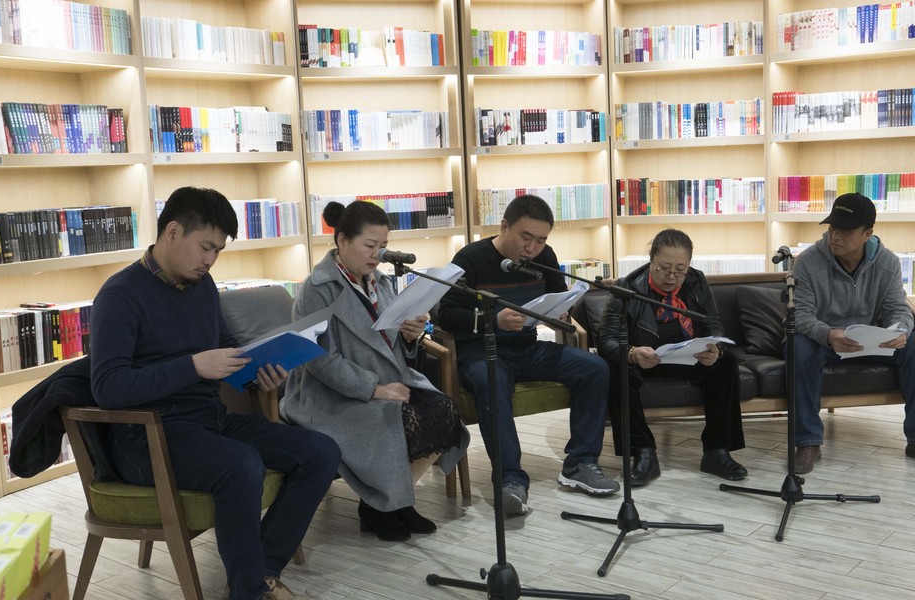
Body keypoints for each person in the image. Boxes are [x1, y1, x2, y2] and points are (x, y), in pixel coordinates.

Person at [90, 187, 340, 600]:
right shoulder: (119, 296)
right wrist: (192, 366)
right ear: (172, 231)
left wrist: (258, 371)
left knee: (321, 452)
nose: (210, 260)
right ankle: (250, 591)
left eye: (218, 251)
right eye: (206, 247)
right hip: (146, 436)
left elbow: (225, 348)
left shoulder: (202, 286)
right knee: (241, 464)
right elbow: (108, 388)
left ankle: (260, 572)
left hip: (208, 421)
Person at [280, 201, 468, 542]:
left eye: (383, 246)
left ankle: (393, 499)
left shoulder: (379, 281)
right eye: (369, 245)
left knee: (443, 410)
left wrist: (410, 336)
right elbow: (319, 360)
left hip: (386, 378)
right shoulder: (316, 289)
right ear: (342, 240)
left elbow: (389, 341)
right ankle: (381, 505)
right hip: (328, 393)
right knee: (395, 417)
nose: (377, 255)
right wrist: (374, 389)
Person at [438, 194, 619, 516]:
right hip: (481, 352)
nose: (532, 248)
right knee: (492, 382)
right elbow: (446, 314)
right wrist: (494, 320)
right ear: (504, 226)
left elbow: (557, 296)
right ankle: (510, 480)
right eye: (526, 237)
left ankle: (580, 463)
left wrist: (560, 312)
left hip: (527, 347)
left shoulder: (544, 257)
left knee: (595, 368)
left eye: (541, 240)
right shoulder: (470, 258)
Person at [792, 192, 915, 474]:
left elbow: (898, 307)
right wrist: (829, 334)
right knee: (799, 346)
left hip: (869, 342)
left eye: (846, 231)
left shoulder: (887, 262)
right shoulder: (808, 261)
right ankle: (807, 442)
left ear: (867, 233)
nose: (835, 236)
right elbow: (801, 316)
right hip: (825, 342)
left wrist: (900, 330)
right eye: (832, 227)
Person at [598, 229, 747, 485]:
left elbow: (713, 322)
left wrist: (715, 348)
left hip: (687, 356)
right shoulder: (627, 287)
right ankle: (643, 453)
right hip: (645, 360)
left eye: (680, 270)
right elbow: (606, 340)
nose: (671, 277)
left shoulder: (697, 281)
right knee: (616, 371)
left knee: (726, 363)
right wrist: (633, 353)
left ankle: (717, 452)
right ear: (651, 260)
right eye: (664, 268)